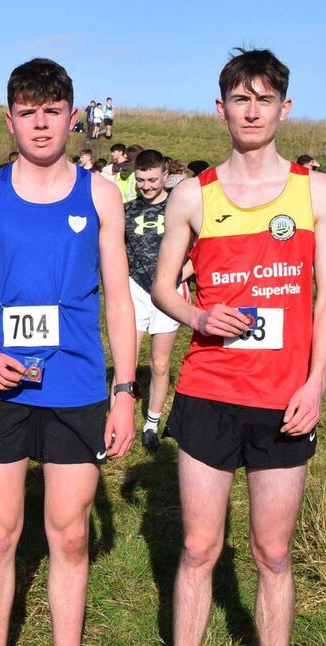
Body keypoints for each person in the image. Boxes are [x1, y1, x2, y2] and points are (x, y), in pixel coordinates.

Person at [151, 48, 326, 646]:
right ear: (222, 108)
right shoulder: (191, 195)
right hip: (208, 392)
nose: (252, 109)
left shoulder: (317, 192)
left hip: (284, 398)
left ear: (284, 109)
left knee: (272, 552)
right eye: (241, 97)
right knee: (200, 546)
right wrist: (199, 312)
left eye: (265, 98)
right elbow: (162, 287)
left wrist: (316, 383)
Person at [0, 57, 136, 646]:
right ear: (11, 119)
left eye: (53, 111)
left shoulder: (100, 194)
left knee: (70, 533)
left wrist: (126, 389)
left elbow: (118, 303)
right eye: (28, 112)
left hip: (77, 390)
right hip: (1, 391)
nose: (41, 123)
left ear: (73, 117)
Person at [124, 149, 189, 452]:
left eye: (152, 179)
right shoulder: (125, 210)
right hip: (134, 290)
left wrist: (180, 274)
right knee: (128, 361)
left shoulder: (181, 208)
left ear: (165, 175)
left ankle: (151, 423)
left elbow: (205, 248)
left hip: (170, 292)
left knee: (160, 364)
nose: (146, 186)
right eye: (141, 180)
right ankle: (118, 419)